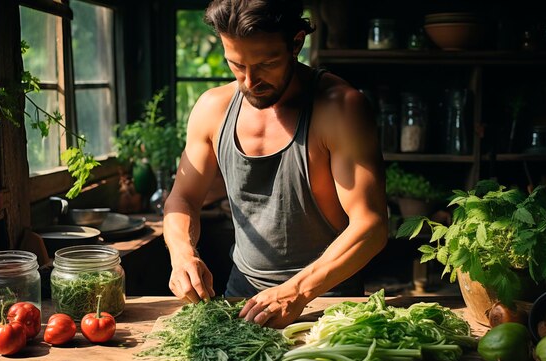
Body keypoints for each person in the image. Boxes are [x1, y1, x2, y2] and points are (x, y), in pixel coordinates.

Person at [163, 0, 388, 328]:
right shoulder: (212, 108)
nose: (250, 81)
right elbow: (182, 198)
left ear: (296, 42)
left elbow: (372, 226)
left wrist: (297, 290)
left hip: (326, 298)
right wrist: (182, 252)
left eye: (266, 64)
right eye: (236, 65)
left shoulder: (341, 108)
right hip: (240, 294)